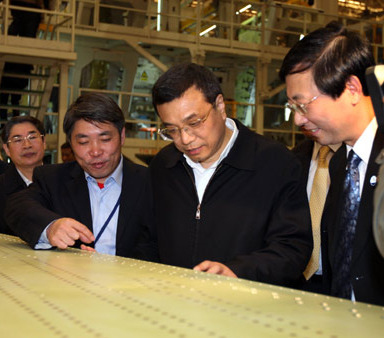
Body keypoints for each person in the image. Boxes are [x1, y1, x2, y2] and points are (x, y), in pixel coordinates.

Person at [136, 62, 312, 287]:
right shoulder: (164, 166)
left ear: (220, 106)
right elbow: (147, 241)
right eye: (172, 130)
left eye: (194, 123)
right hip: (175, 303)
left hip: (248, 308)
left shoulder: (276, 164)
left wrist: (238, 272)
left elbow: (293, 249)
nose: (185, 139)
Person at [279, 21, 384, 306]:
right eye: (292, 107)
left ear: (351, 88)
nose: (298, 119)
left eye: (303, 104)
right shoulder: (340, 166)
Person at [5, 92, 147, 257]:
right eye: (83, 142)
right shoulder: (53, 179)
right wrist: (50, 226)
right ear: (71, 143)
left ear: (122, 136)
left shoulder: (150, 182)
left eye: (105, 139)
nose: (95, 151)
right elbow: (16, 206)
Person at [0, 116, 46, 235]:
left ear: (44, 142)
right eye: (18, 140)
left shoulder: (63, 183)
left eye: (32, 137)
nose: (27, 145)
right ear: (7, 149)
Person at [292, 135, 341, 294]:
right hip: (296, 281)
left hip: (340, 285)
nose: (299, 119)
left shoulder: (362, 159)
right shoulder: (293, 157)